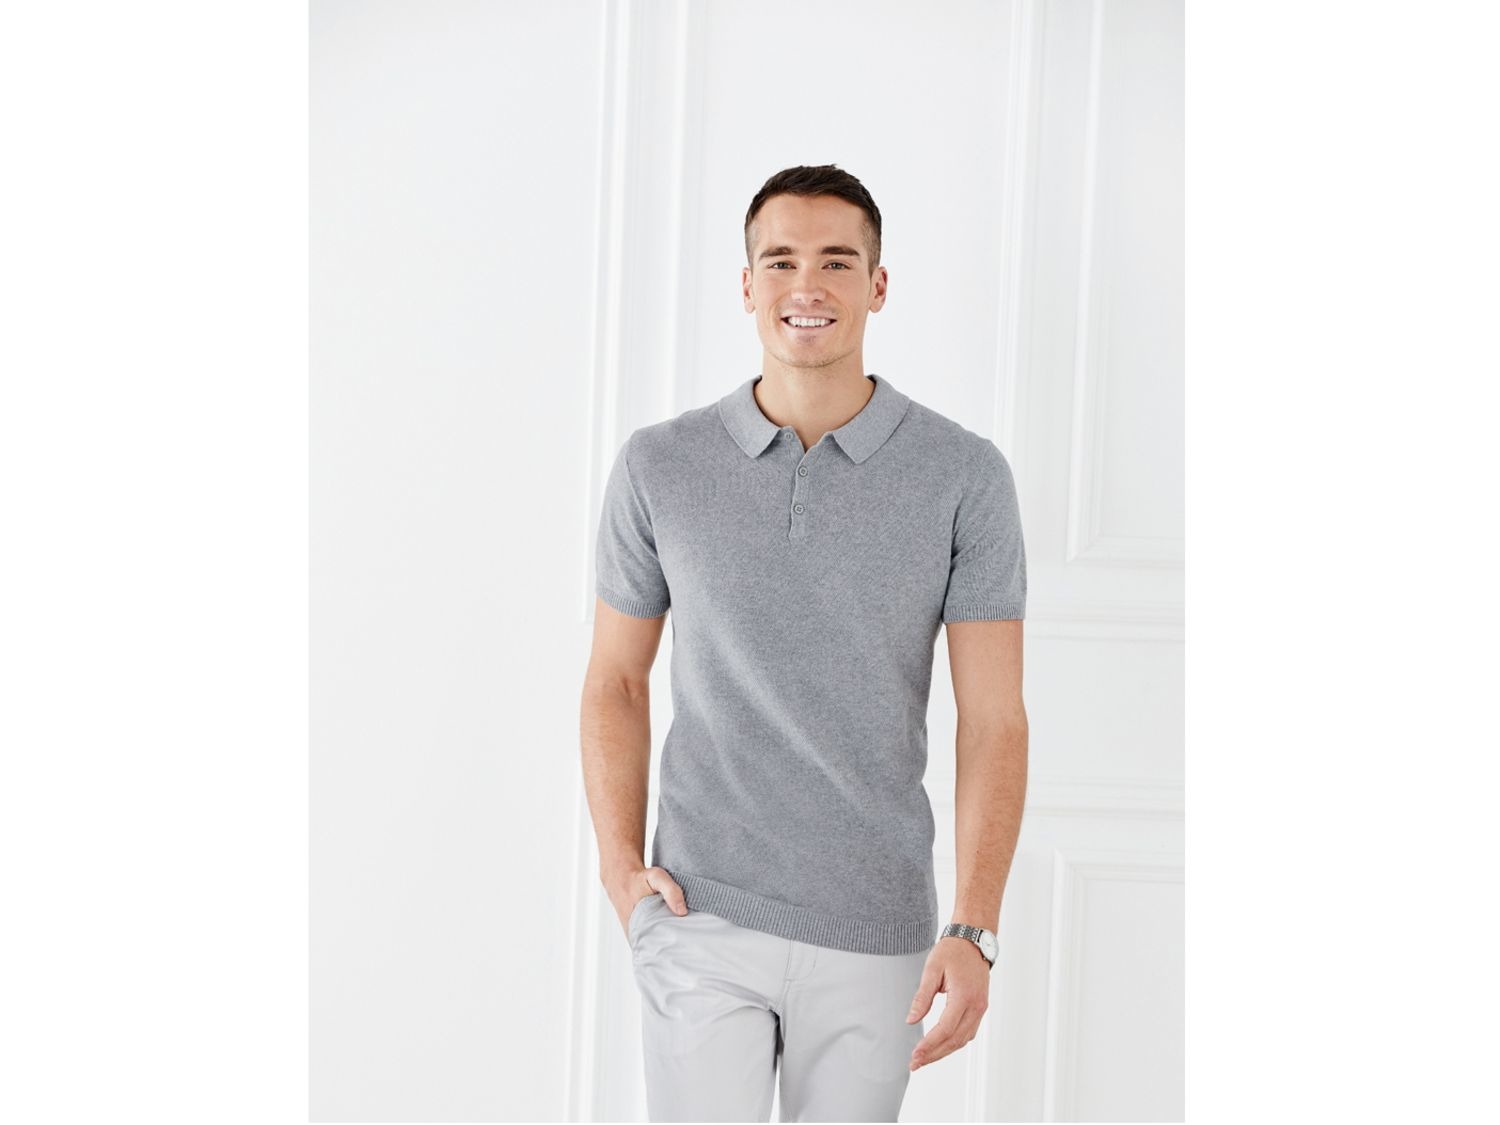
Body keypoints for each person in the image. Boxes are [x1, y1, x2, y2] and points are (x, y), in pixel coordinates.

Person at [579, 163, 1028, 1122]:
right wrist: (622, 871)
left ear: (878, 284)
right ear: (747, 286)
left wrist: (975, 925)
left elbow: (994, 719)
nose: (807, 285)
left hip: (877, 929)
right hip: (699, 911)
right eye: (781, 261)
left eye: (837, 260)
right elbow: (616, 679)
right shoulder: (660, 464)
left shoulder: (964, 476)